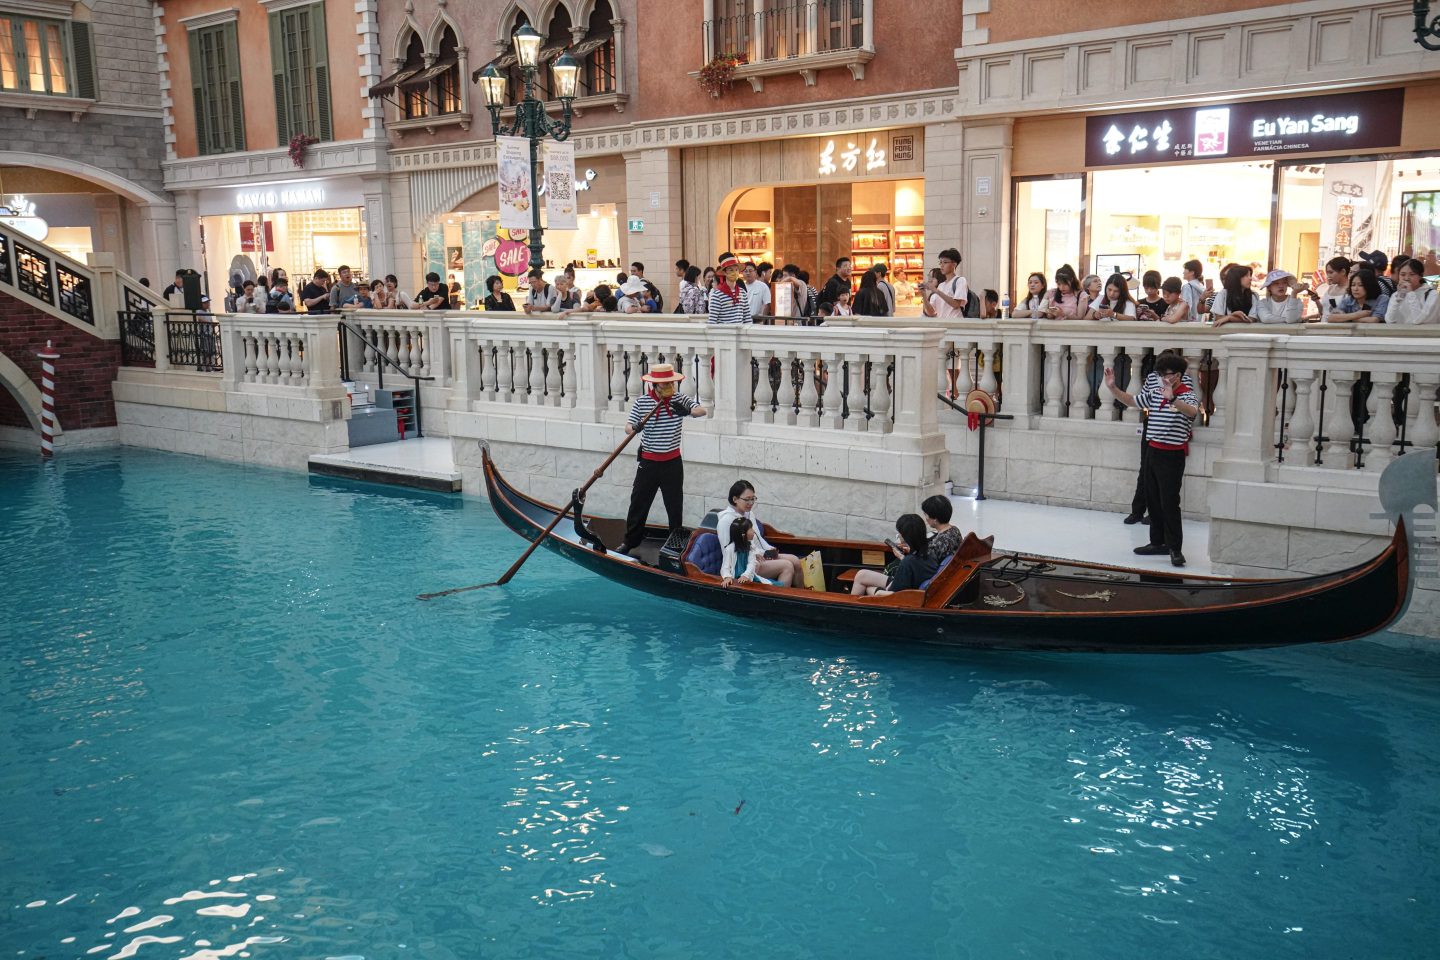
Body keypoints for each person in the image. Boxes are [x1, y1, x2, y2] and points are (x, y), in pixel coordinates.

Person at [1104, 353, 1198, 567]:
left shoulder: (1188, 395)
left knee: (1170, 504)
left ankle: (1175, 548)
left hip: (1172, 456)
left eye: (1168, 375)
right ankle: (1157, 542)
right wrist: (1112, 388)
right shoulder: (1155, 393)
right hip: (1152, 452)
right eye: (1161, 375)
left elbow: (1192, 412)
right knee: (1153, 500)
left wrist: (1173, 398)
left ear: (1179, 376)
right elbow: (1132, 401)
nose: (1164, 379)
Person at [618, 362, 708, 555]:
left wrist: (687, 411)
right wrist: (635, 428)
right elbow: (628, 426)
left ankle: (675, 545)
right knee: (638, 503)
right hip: (649, 463)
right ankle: (631, 541)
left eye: (670, 384)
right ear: (654, 385)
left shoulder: (679, 399)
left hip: (672, 464)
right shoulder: (642, 402)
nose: (668, 388)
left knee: (675, 506)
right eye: (663, 385)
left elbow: (702, 411)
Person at [716, 480, 802, 587]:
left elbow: (757, 538)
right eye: (747, 499)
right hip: (744, 564)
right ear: (735, 499)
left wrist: (768, 550)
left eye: (753, 499)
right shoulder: (726, 521)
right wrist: (754, 556)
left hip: (758, 555)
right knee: (787, 566)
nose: (751, 503)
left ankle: (804, 596)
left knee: (795, 561)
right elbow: (728, 551)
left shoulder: (749, 514)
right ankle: (782, 600)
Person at [850, 514, 937, 597]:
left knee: (868, 587)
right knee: (861, 574)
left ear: (906, 536)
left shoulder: (908, 562)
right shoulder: (929, 551)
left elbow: (895, 594)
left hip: (899, 596)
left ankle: (851, 608)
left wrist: (878, 592)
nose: (899, 535)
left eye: (900, 533)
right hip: (907, 586)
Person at [721, 517, 785, 587]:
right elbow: (725, 567)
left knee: (773, 585)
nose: (753, 531)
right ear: (743, 534)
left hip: (749, 578)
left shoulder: (750, 547)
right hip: (735, 580)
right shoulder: (729, 549)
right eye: (751, 529)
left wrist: (746, 575)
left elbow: (751, 563)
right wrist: (727, 577)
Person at [1387, 257, 1440, 325]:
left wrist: (1410, 293)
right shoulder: (1396, 295)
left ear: (1420, 276)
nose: (1406, 278)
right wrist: (1398, 299)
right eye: (1402, 275)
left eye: (1412, 274)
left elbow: (1418, 320)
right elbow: (1389, 320)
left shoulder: (1432, 295)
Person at [923, 248, 969, 318]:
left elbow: (956, 304)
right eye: (940, 262)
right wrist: (924, 295)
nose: (941, 265)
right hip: (942, 325)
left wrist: (936, 290)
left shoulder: (960, 280)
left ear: (954, 264)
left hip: (955, 324)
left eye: (945, 262)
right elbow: (931, 313)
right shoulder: (941, 285)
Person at [707, 255, 751, 324]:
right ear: (724, 272)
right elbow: (712, 321)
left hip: (740, 334)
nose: (734, 272)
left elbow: (747, 318)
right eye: (731, 270)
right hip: (724, 334)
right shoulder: (717, 295)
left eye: (736, 270)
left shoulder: (742, 293)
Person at [921, 495, 963, 565]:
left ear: (935, 519)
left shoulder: (938, 543)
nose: (925, 518)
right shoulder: (955, 529)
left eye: (925, 514)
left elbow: (924, 566)